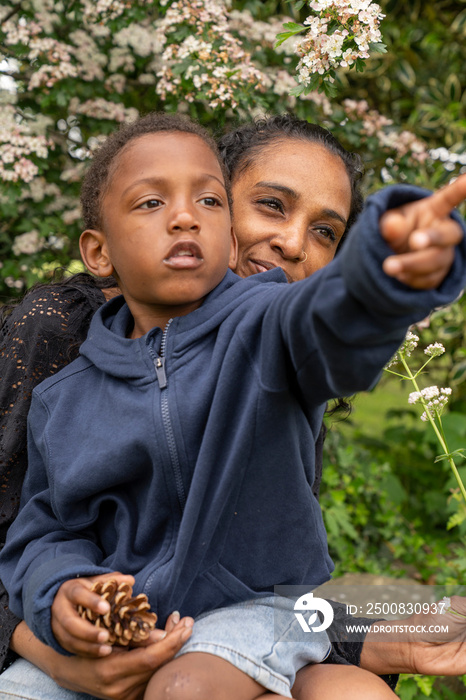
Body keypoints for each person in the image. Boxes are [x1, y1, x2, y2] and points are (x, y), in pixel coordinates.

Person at [0, 110, 465, 700]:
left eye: (328, 232)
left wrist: (385, 269)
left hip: (249, 615)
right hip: (115, 634)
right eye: (271, 205)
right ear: (98, 251)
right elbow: (45, 530)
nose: (186, 216)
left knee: (192, 689)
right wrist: (60, 595)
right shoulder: (61, 385)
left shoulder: (269, 329)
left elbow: (331, 322)